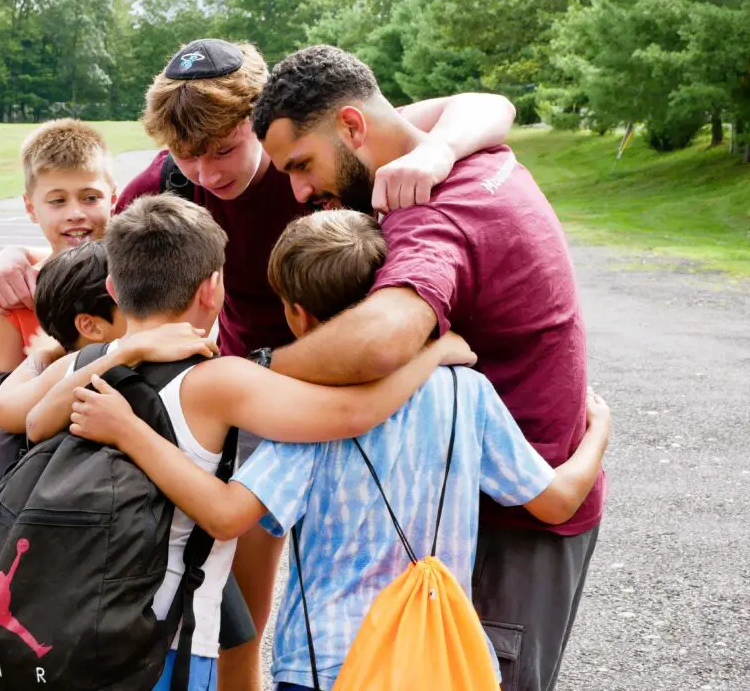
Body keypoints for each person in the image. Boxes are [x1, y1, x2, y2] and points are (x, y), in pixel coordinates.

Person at [0, 39, 518, 688]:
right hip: (218, 397)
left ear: (262, 123)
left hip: (314, 382)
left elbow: (488, 103)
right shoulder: (165, 183)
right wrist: (16, 257)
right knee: (211, 593)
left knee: (269, 603)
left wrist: (439, 150)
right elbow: (107, 260)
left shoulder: (314, 151)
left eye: (224, 149)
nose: (205, 173)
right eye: (186, 155)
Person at [68, 209, 613, 691]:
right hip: (444, 660)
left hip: (325, 663)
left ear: (297, 315)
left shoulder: (304, 409)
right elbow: (557, 502)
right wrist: (599, 432)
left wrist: (129, 431)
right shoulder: (467, 392)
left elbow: (230, 513)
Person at [250, 45, 602, 691]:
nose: (299, 192)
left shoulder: (429, 217)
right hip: (499, 488)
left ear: (353, 126)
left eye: (301, 165)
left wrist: (255, 371)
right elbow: (492, 103)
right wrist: (439, 149)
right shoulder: (463, 154)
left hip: (514, 516)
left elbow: (381, 339)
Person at [25, 195, 476, 690]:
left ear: (112, 287)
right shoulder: (221, 381)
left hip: (69, 614)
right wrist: (430, 355)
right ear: (212, 290)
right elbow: (353, 413)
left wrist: (121, 350)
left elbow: (31, 423)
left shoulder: (90, 363)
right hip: (163, 636)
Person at [0, 119, 116, 439]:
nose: (75, 212)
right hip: (39, 451)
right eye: (57, 201)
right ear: (31, 207)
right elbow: (6, 382)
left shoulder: (130, 276)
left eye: (90, 198)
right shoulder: (13, 291)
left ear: (113, 198)